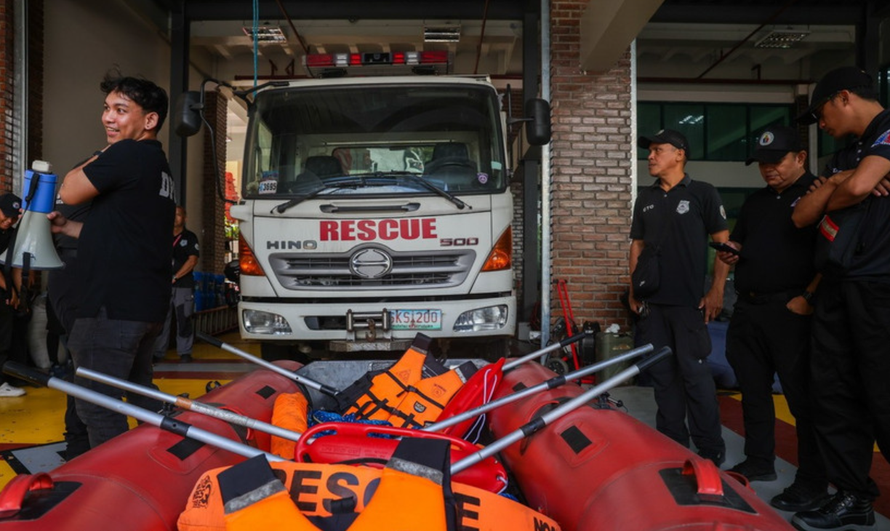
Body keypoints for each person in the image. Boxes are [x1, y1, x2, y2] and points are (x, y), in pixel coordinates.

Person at [48, 72, 176, 450]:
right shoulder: (157, 166)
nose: (108, 118)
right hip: (142, 305)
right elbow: (126, 235)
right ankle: (172, 461)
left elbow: (69, 189)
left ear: (149, 120)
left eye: (121, 110)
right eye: (106, 109)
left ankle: (117, 486)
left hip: (111, 308)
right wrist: (69, 228)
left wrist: (100, 154)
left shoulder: (126, 153)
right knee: (139, 393)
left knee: (97, 405)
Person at [789, 66, 890, 531]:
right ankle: (854, 496)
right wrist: (835, 183)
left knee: (883, 397)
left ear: (844, 97)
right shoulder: (841, 156)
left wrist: (845, 185)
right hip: (835, 288)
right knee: (832, 396)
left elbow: (860, 187)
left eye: (822, 113)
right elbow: (803, 215)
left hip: (880, 289)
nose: (821, 124)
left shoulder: (889, 131)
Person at [715, 125, 829, 512]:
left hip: (792, 311)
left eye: (776, 161)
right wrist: (732, 251)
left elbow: (835, 252)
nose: (768, 170)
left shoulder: (822, 193)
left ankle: (813, 480)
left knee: (802, 399)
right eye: (762, 163)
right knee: (754, 391)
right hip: (748, 309)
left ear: (800, 157)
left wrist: (808, 298)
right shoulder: (757, 202)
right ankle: (760, 460)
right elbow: (742, 242)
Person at [628, 128, 730, 465]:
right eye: (650, 151)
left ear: (680, 154)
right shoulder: (646, 197)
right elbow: (637, 246)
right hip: (653, 305)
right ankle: (672, 444)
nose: (651, 156)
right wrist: (633, 289)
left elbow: (722, 244)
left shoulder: (703, 193)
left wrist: (716, 290)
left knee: (695, 377)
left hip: (689, 305)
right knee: (663, 378)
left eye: (658, 150)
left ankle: (710, 449)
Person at [153, 205, 199, 363]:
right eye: (172, 214)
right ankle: (158, 352)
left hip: (183, 285)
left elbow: (192, 260)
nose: (175, 218)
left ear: (184, 218)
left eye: (178, 215)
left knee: (184, 318)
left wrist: (176, 276)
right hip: (162, 285)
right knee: (160, 319)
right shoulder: (161, 236)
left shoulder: (190, 237)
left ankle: (185, 352)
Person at [0, 192, 25, 397]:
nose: (9, 221)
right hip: (2, 289)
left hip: (4, 292)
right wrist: (10, 291)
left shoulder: (12, 234)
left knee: (4, 336)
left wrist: (18, 295)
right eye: (5, 215)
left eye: (13, 218)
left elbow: (15, 266)